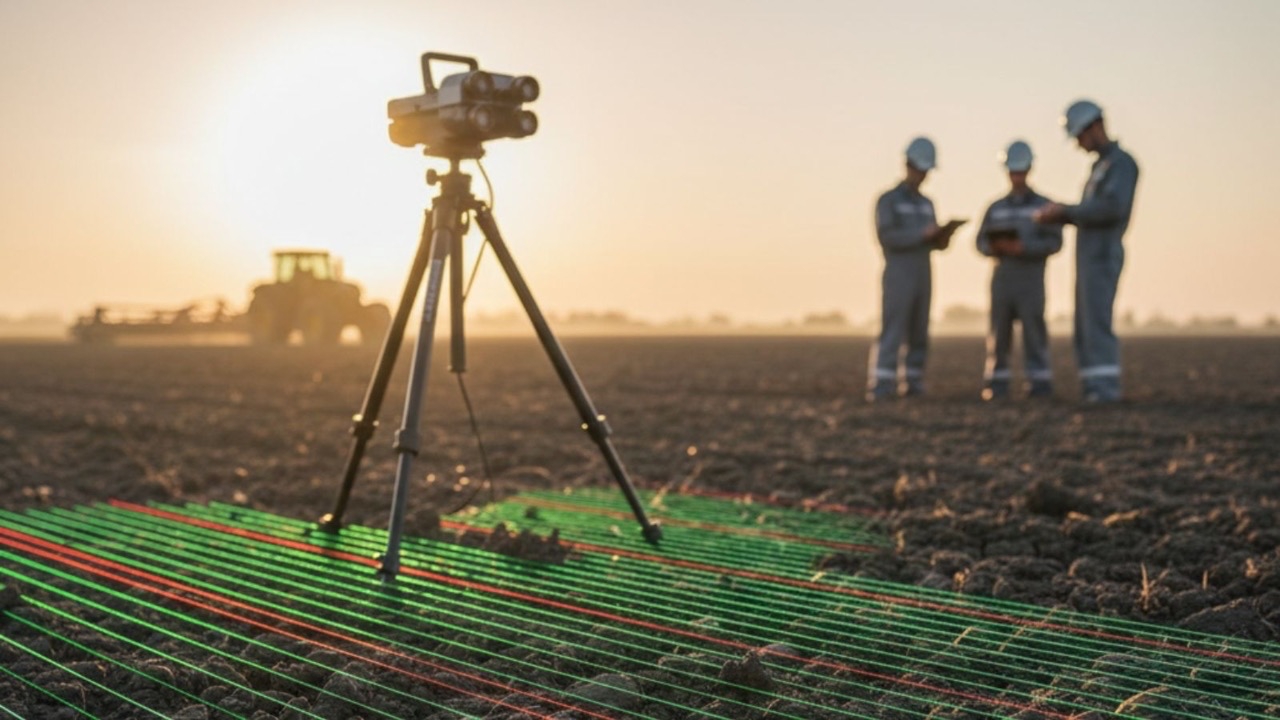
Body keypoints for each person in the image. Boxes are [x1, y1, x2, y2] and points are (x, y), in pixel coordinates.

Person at [1033, 100, 1140, 403]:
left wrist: (1065, 212)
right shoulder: (1100, 166)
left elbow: (1112, 208)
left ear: (1095, 126)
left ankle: (1105, 390)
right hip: (1089, 256)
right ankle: (1093, 388)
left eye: (1079, 136)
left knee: (1096, 322)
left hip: (1102, 254)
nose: (1078, 144)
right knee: (1085, 324)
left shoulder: (1121, 164)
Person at [867, 137, 963, 402]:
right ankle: (882, 383)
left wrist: (943, 236)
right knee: (893, 327)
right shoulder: (888, 200)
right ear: (908, 165)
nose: (923, 176)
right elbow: (887, 237)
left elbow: (935, 244)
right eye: (920, 169)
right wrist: (921, 234)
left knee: (919, 329)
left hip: (923, 271)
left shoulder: (927, 203)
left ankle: (913, 381)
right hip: (899, 273)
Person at [974, 140, 1063, 400]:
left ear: (1029, 169)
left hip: (1031, 279)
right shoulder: (995, 208)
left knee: (1034, 331)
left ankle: (1039, 383)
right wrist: (996, 247)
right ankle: (996, 384)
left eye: (1020, 172)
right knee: (998, 333)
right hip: (1002, 279)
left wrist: (1024, 248)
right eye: (1013, 172)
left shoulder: (1044, 205)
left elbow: (1055, 242)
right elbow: (979, 242)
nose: (1017, 177)